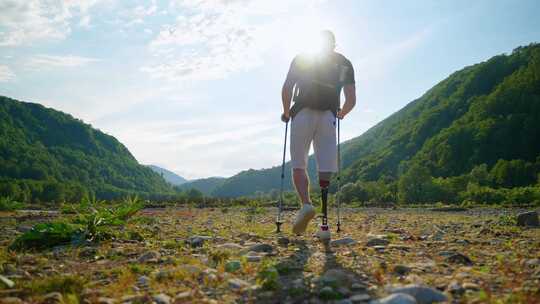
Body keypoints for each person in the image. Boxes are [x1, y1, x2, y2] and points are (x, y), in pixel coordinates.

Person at [281, 30, 356, 238]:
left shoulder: (303, 59)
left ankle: (306, 204)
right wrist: (342, 113)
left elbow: (287, 88)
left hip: (302, 113)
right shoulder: (344, 63)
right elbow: (351, 98)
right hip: (328, 116)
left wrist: (287, 113)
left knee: (299, 164)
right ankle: (324, 225)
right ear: (334, 43)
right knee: (325, 166)